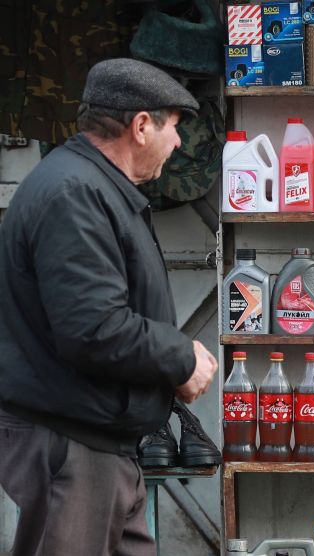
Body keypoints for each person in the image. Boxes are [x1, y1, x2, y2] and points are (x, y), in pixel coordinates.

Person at [0, 58, 218, 555]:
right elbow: (92, 327)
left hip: (102, 445)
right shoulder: (73, 193)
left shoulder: (94, 188)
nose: (180, 143)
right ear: (142, 126)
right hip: (71, 448)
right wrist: (180, 356)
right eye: (176, 127)